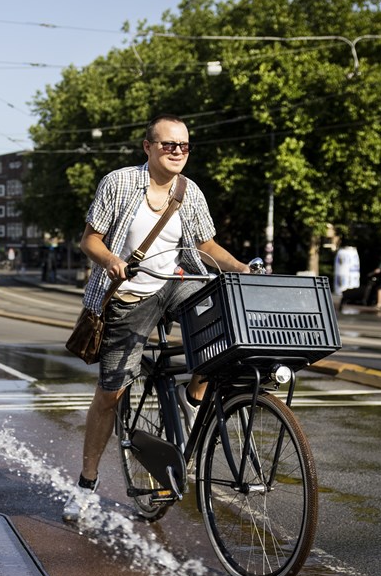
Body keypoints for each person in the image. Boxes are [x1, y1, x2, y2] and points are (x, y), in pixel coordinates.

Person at [63, 114, 250, 523]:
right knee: (111, 392)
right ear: (148, 148)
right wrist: (111, 259)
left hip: (174, 282)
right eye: (169, 145)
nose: (178, 151)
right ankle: (87, 482)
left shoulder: (190, 190)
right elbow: (89, 239)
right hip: (130, 294)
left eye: (184, 145)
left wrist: (238, 266)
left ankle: (193, 394)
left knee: (222, 319)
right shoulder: (119, 183)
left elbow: (205, 244)